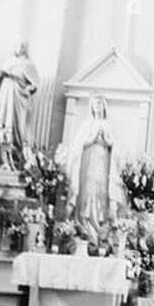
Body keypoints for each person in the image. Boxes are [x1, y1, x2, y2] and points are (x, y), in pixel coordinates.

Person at [63, 94, 122, 245]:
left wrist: (107, 141)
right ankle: (85, 225)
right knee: (87, 191)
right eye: (95, 104)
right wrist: (92, 139)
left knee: (100, 193)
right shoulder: (87, 124)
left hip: (103, 163)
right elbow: (78, 146)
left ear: (104, 107)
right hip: (88, 162)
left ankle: (100, 229)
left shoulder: (108, 125)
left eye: (100, 104)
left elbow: (115, 147)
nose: (97, 107)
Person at [0, 39, 40, 172]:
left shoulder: (29, 65)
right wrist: (1, 75)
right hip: (5, 98)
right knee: (3, 129)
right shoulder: (8, 62)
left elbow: (34, 85)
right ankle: (4, 162)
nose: (19, 48)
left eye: (22, 46)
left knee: (17, 130)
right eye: (17, 45)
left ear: (25, 48)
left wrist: (27, 88)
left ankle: (16, 162)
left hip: (18, 100)